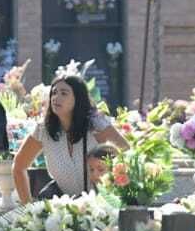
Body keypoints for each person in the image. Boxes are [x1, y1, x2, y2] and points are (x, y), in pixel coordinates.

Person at [11, 74, 127, 204]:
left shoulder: (96, 125)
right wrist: (28, 206)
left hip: (103, 205)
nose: (56, 97)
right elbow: (19, 167)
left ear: (78, 98)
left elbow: (127, 157)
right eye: (54, 93)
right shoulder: (43, 130)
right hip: (64, 208)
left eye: (64, 93)